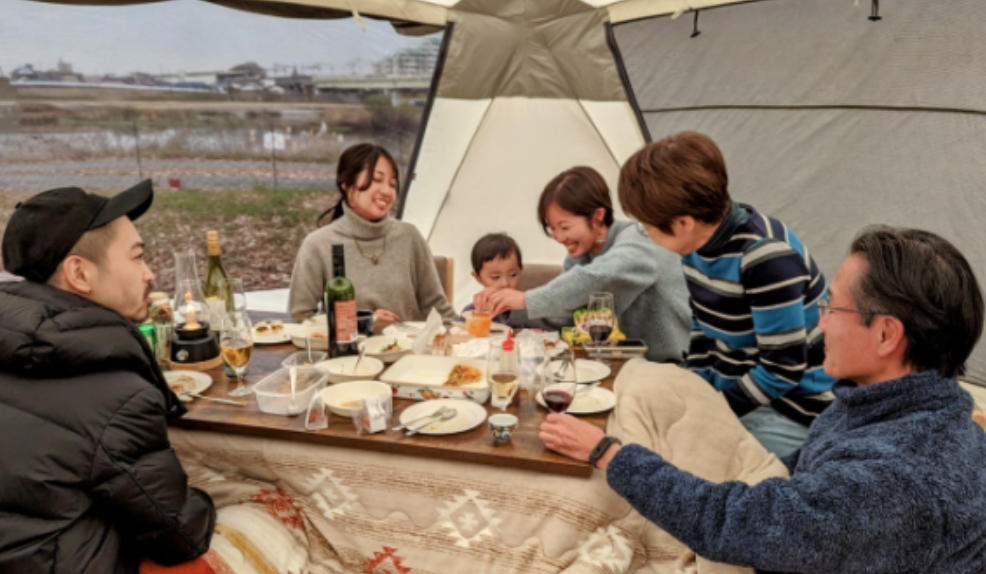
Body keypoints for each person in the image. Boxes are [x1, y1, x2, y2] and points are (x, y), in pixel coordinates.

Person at [541, 226, 986, 574]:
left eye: (833, 307)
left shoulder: (896, 484)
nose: (821, 321)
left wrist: (608, 453)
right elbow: (809, 476)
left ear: (886, 335)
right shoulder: (889, 405)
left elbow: (734, 524)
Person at [0, 181, 216, 573]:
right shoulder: (114, 392)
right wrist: (214, 497)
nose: (149, 273)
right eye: (137, 258)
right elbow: (179, 534)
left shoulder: (13, 339)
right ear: (80, 273)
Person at [617, 132, 836, 456]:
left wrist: (712, 411)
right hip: (738, 390)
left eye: (646, 227)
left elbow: (782, 370)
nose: (646, 234)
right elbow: (701, 327)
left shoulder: (765, 258)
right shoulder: (697, 248)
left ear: (684, 223)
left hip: (793, 408)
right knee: (646, 419)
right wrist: (695, 390)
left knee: (684, 456)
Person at [476, 166, 690, 363]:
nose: (558, 237)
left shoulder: (640, 238)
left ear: (598, 216)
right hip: (623, 361)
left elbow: (601, 275)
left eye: (564, 227)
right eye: (552, 228)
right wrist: (507, 306)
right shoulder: (580, 255)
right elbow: (567, 313)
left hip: (672, 365)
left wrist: (525, 299)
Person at [288, 143, 455, 322]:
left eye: (392, 184)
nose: (387, 191)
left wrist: (469, 327)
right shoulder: (318, 245)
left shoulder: (409, 236)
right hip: (349, 341)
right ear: (346, 184)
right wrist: (362, 323)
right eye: (376, 180)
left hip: (409, 341)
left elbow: (440, 312)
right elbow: (301, 316)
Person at [460, 232, 523, 323]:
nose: (505, 283)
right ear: (478, 277)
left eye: (513, 275)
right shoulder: (471, 313)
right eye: (496, 277)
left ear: (520, 270)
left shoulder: (529, 309)